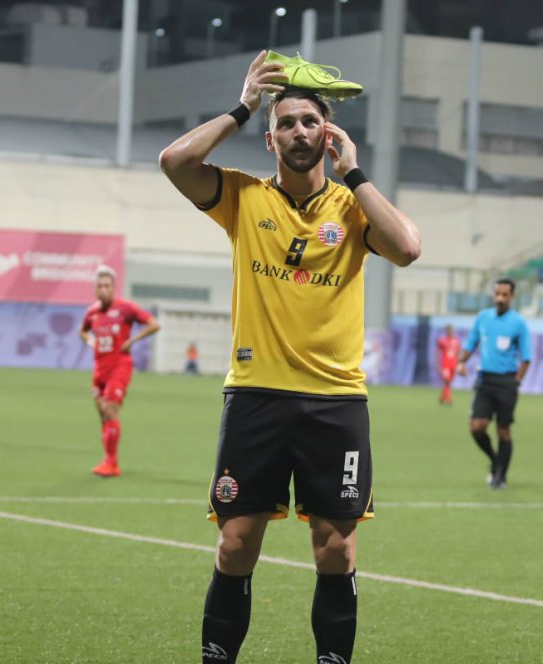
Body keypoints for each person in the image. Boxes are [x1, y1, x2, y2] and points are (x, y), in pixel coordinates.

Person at [159, 51, 420, 664]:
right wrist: (243, 105)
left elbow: (407, 248)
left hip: (336, 402)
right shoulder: (242, 199)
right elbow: (175, 161)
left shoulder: (353, 211)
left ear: (327, 133)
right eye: (288, 123)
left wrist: (355, 174)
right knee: (235, 545)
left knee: (336, 549)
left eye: (310, 122)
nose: (300, 132)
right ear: (271, 138)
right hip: (256, 395)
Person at [79, 266, 161, 478]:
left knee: (109, 410)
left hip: (119, 366)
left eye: (107, 285)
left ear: (114, 287)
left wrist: (132, 340)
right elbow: (83, 330)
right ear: (95, 289)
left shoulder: (126, 308)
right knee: (102, 416)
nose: (103, 289)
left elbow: (154, 324)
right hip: (99, 369)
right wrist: (90, 340)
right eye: (99, 286)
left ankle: (112, 463)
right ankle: (107, 459)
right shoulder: (92, 312)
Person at [456, 278, 532, 490]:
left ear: (512, 296)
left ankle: (500, 476)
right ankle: (495, 459)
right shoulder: (483, 318)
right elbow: (471, 343)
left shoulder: (518, 323)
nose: (500, 298)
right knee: (477, 427)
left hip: (507, 382)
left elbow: (527, 358)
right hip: (485, 381)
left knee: (503, 431)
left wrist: (516, 382)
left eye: (504, 295)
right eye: (497, 294)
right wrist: (462, 362)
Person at [436, 324, 461, 405]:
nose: (450, 332)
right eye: (448, 330)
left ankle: (442, 397)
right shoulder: (442, 340)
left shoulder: (456, 340)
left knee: (450, 381)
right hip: (445, 364)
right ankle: (449, 398)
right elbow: (437, 352)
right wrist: (436, 364)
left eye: (451, 330)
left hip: (453, 364)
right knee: (446, 380)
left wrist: (459, 363)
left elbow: (458, 353)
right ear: (446, 331)